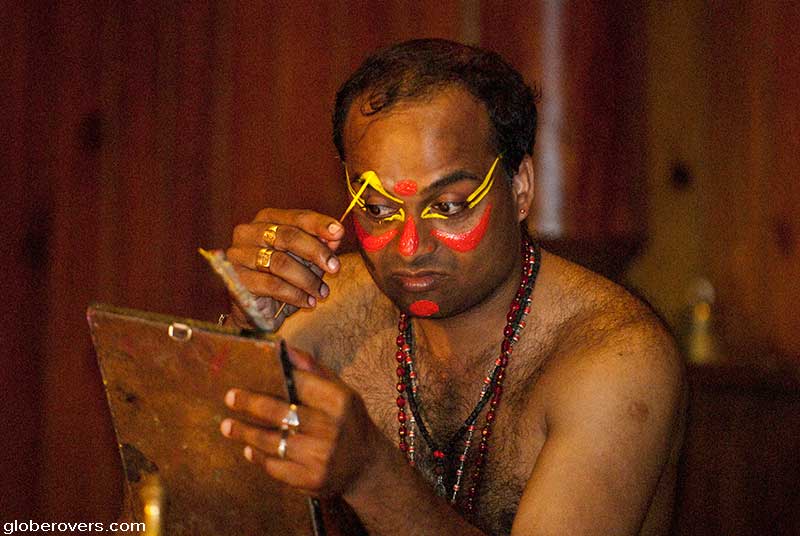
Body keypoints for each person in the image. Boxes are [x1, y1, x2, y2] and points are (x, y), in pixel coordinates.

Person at [219, 38, 686, 536]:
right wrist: (243, 338)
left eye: (448, 205)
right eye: (378, 210)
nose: (410, 246)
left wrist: (371, 475)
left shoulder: (615, 359)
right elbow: (173, 506)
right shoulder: (324, 306)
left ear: (520, 186)